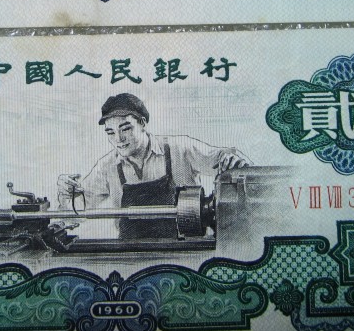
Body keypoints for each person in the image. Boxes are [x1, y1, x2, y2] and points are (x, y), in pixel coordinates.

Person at [56, 93, 249, 238]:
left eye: (125, 129)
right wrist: (68, 194)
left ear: (142, 123)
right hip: (131, 254)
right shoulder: (107, 167)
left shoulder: (180, 149)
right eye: (111, 133)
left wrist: (233, 160)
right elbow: (77, 211)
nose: (119, 139)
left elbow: (225, 158)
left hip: (187, 251)